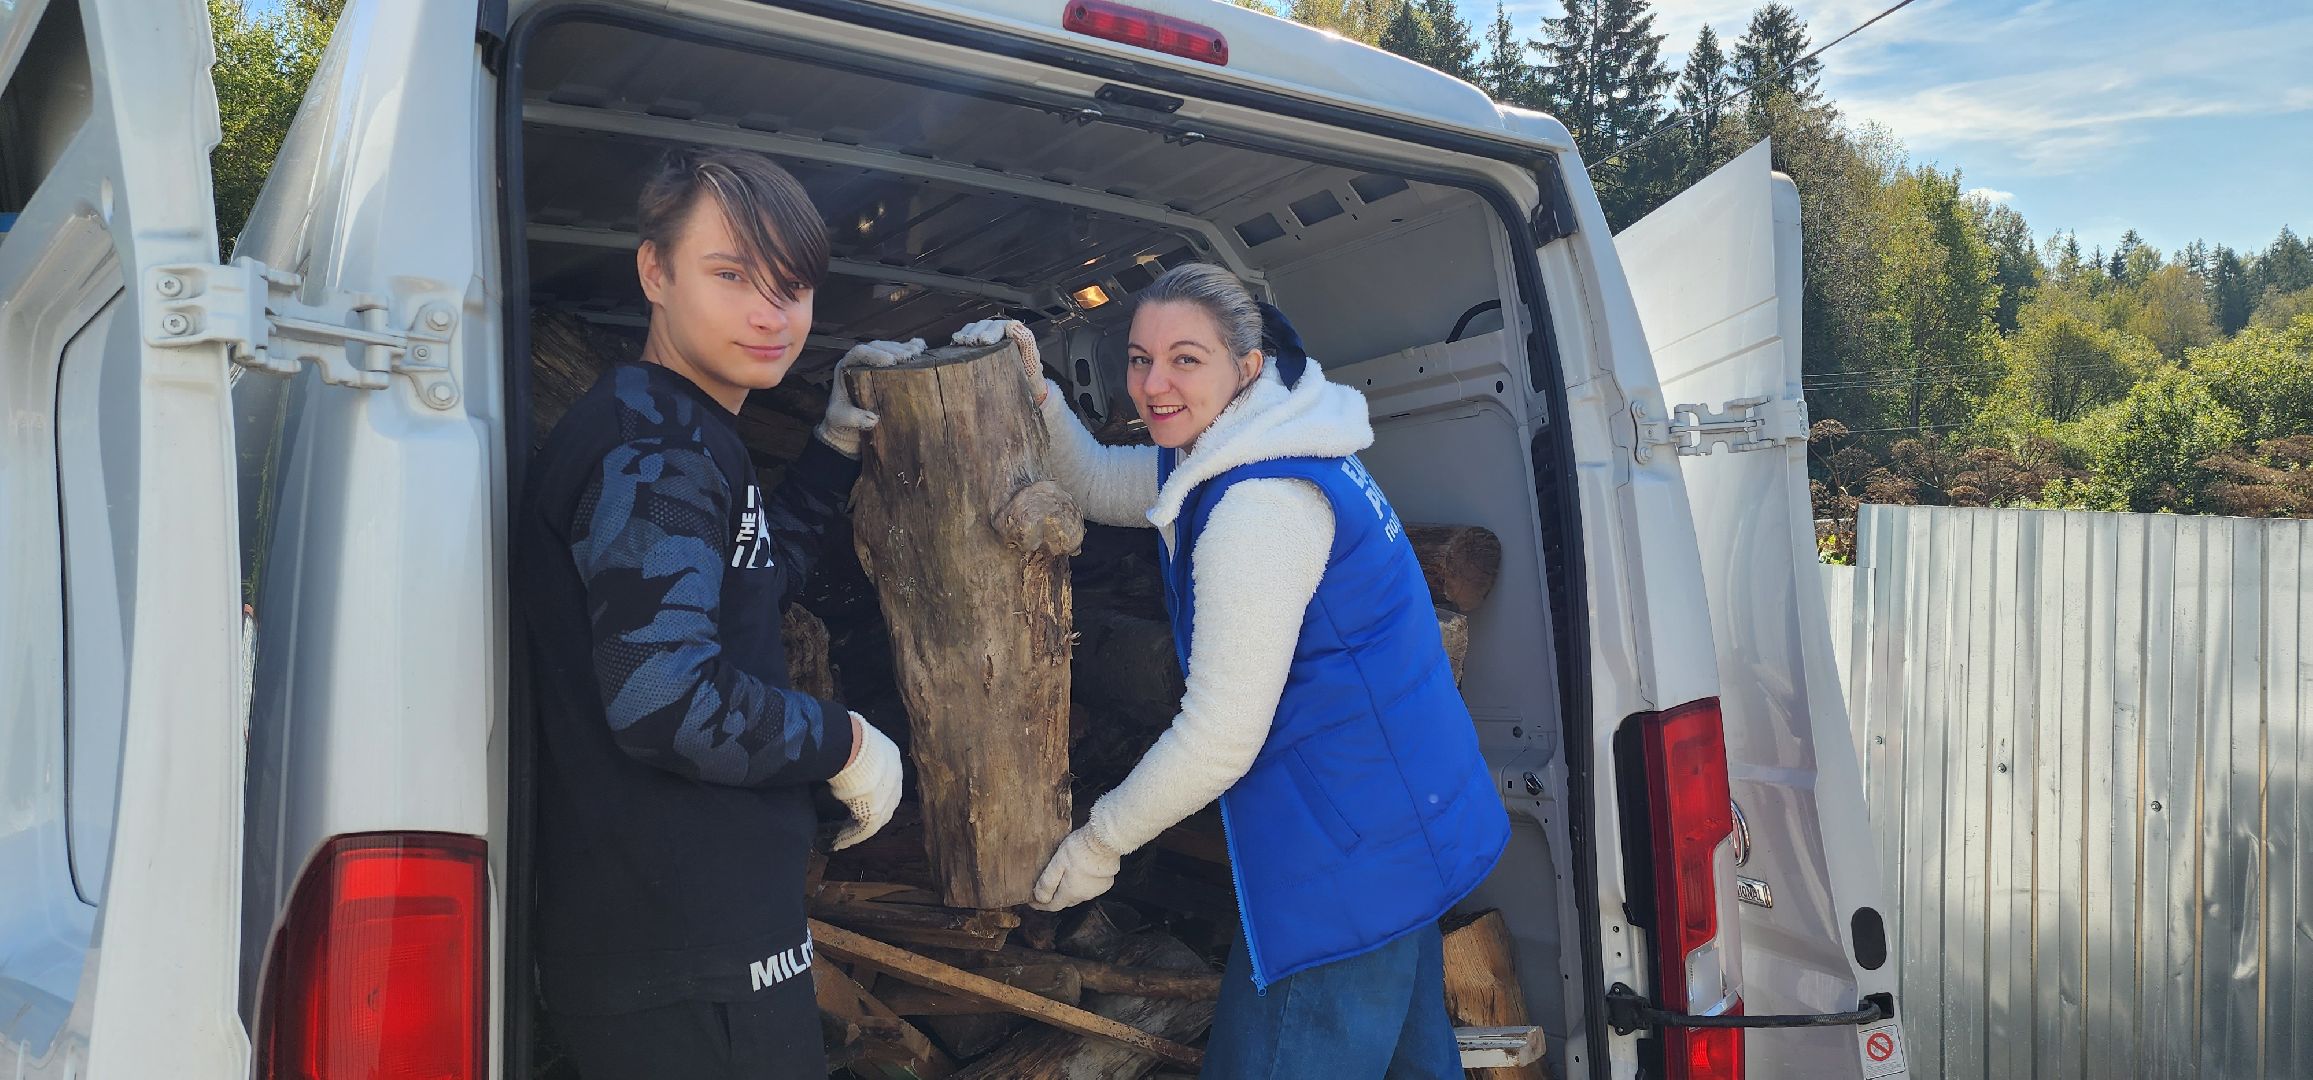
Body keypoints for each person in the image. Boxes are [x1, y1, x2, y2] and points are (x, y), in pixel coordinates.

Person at [957, 264, 1511, 1077]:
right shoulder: (1262, 434)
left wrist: (1100, 844)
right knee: (1411, 1061)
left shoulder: (1261, 505)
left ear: (1246, 366)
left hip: (1348, 857)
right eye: (1140, 359)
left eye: (1186, 359)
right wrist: (1036, 393)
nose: (1153, 383)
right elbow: (1108, 481)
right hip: (1405, 823)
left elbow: (1220, 735)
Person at [514, 148, 912, 1079]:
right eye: (731, 275)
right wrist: (843, 741)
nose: (770, 313)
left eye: (792, 286)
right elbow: (668, 700)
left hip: (691, 951)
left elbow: (752, 578)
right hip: (681, 963)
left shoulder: (675, 431)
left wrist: (834, 442)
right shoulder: (652, 442)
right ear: (655, 271)